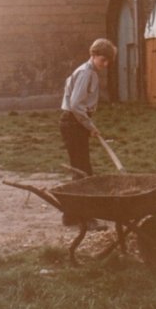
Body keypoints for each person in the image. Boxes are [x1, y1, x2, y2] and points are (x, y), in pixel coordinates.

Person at [59, 38, 117, 229]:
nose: (106, 64)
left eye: (109, 61)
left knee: (80, 170)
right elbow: (76, 105)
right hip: (73, 123)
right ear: (93, 55)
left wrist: (87, 125)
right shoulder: (86, 73)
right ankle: (84, 219)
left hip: (76, 123)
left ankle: (70, 216)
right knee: (84, 173)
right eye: (103, 59)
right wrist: (89, 125)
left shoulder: (89, 71)